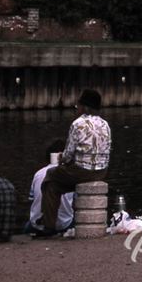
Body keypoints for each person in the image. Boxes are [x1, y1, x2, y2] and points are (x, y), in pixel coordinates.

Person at [40, 89, 111, 235]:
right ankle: (55, 222)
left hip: (81, 171)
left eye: (77, 106)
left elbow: (68, 155)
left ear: (84, 107)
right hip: (101, 172)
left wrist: (61, 160)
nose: (76, 110)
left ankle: (49, 227)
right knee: (54, 186)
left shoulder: (78, 124)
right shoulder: (105, 125)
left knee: (49, 177)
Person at [27, 139, 75, 234]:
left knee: (27, 226)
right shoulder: (70, 174)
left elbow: (32, 200)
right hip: (64, 224)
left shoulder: (38, 174)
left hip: (38, 225)